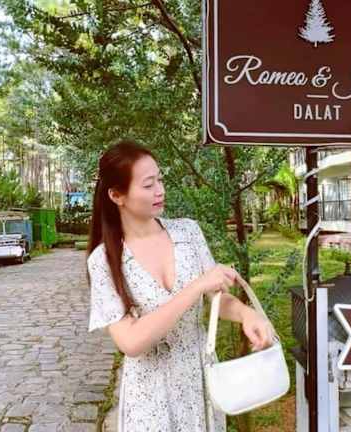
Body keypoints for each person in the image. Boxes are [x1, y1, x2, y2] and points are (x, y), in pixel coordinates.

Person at [86, 139, 275, 431]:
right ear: (116, 195)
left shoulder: (188, 232)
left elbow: (217, 296)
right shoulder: (104, 260)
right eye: (148, 185)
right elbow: (131, 342)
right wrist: (195, 288)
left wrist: (247, 315)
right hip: (148, 397)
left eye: (160, 180)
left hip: (199, 380)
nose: (160, 190)